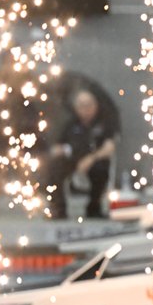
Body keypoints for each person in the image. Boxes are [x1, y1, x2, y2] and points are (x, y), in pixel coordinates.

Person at [41, 89, 118, 219]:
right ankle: (58, 208)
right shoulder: (71, 125)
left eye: (88, 105)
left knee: (102, 168)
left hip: (94, 159)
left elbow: (109, 147)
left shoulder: (105, 124)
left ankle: (94, 208)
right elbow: (59, 146)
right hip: (72, 160)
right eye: (82, 105)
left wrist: (91, 158)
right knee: (54, 167)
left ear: (95, 106)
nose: (86, 109)